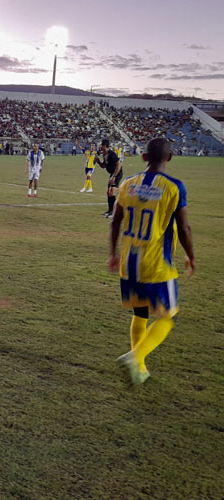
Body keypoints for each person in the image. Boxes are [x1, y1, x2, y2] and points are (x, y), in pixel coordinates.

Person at [109, 138, 194, 385]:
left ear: (144, 157)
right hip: (157, 264)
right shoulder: (174, 187)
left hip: (129, 262)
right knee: (168, 317)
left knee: (141, 312)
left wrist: (113, 254)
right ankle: (136, 357)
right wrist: (191, 256)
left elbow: (115, 221)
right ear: (169, 157)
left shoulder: (128, 184)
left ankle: (139, 369)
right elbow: (184, 228)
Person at [97, 138, 123, 218]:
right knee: (108, 193)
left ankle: (114, 212)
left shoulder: (111, 154)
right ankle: (110, 211)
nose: (100, 146)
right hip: (112, 174)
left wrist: (114, 176)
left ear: (105, 146)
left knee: (111, 192)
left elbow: (119, 164)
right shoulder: (104, 154)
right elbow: (103, 166)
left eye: (101, 145)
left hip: (117, 174)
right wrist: (98, 162)